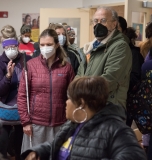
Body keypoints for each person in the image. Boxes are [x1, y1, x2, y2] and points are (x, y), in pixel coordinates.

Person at [21, 76, 147, 160]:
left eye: (69, 98)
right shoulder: (72, 125)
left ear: (81, 103)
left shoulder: (115, 129)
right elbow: (59, 145)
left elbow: (135, 156)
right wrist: (37, 152)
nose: (66, 102)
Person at [17, 29, 75, 153]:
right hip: (35, 124)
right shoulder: (31, 65)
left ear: (57, 45)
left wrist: (70, 121)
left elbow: (72, 97)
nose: (45, 48)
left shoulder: (67, 68)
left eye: (49, 45)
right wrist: (25, 122)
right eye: (42, 45)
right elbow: (22, 95)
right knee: (34, 156)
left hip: (59, 124)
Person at [76, 7, 132, 111]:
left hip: (109, 108)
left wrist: (81, 91)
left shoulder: (120, 46)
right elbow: (80, 75)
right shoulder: (90, 48)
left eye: (103, 20)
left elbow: (109, 79)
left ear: (114, 24)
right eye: (95, 21)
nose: (98, 24)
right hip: (89, 105)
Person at [0, 25, 31, 160]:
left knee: (20, 148)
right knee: (4, 147)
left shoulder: (27, 60)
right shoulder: (0, 62)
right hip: (5, 110)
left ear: (17, 42)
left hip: (24, 110)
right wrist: (8, 76)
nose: (10, 48)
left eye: (12, 43)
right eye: (6, 44)